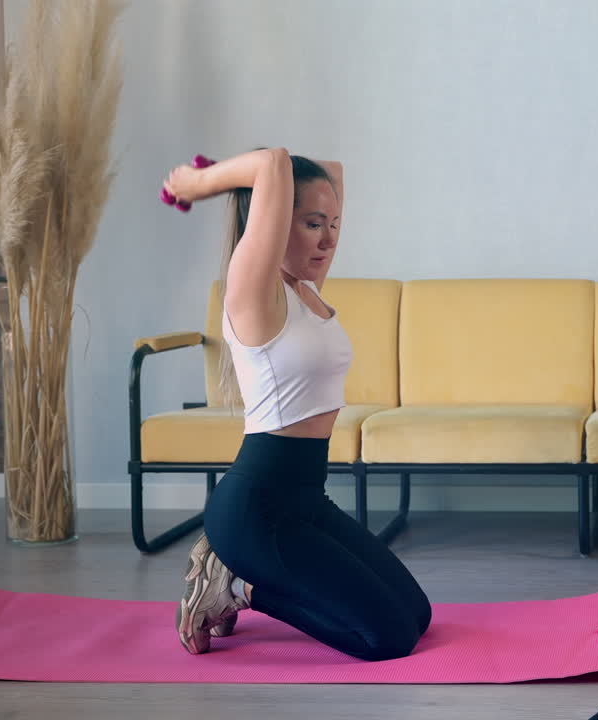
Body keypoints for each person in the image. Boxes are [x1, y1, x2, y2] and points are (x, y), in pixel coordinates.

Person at [162, 148, 432, 661]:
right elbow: (273, 164)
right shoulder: (253, 294)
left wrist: (319, 206)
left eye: (333, 224)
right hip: (254, 511)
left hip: (306, 501)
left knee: (417, 614)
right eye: (312, 224)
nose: (328, 238)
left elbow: (334, 172)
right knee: (387, 639)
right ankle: (236, 589)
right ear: (272, 220)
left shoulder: (306, 289)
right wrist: (197, 184)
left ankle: (238, 578)